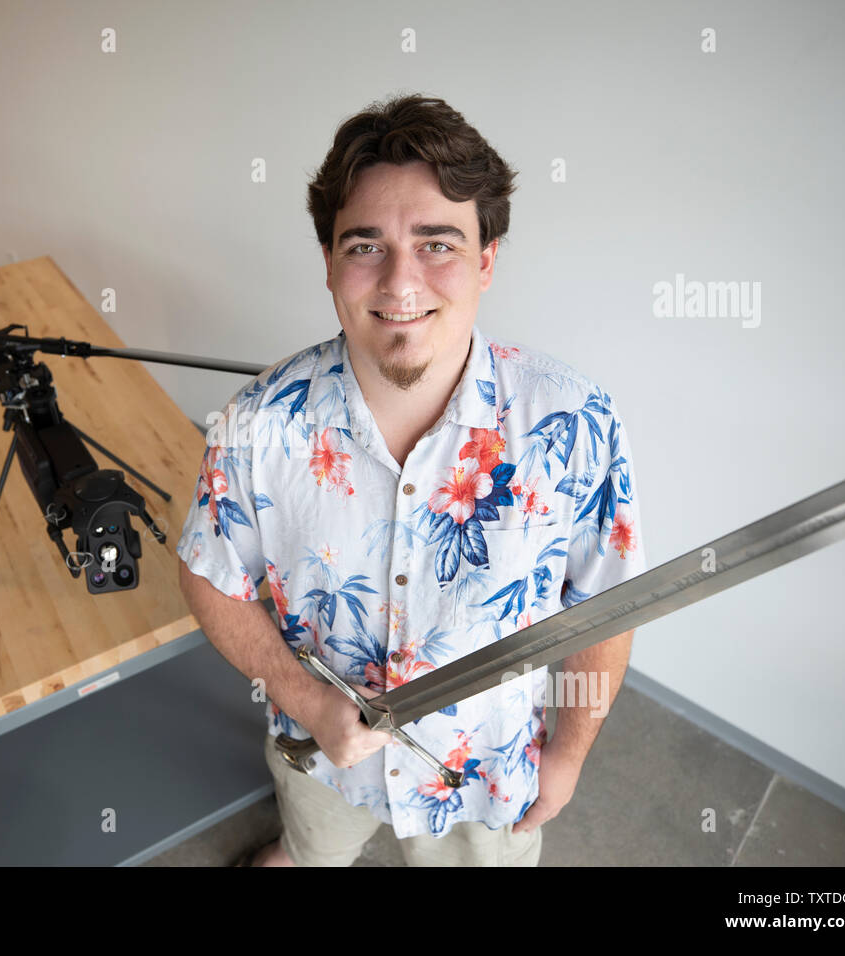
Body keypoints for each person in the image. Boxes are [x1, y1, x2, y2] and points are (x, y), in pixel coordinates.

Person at [177, 93, 647, 867]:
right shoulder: (256, 422)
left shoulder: (576, 423)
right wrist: (304, 701)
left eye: (437, 244)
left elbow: (604, 608)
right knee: (313, 847)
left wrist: (567, 755)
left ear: (487, 259)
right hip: (322, 755)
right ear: (329, 262)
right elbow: (208, 576)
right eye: (366, 245)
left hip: (488, 770)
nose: (400, 284)